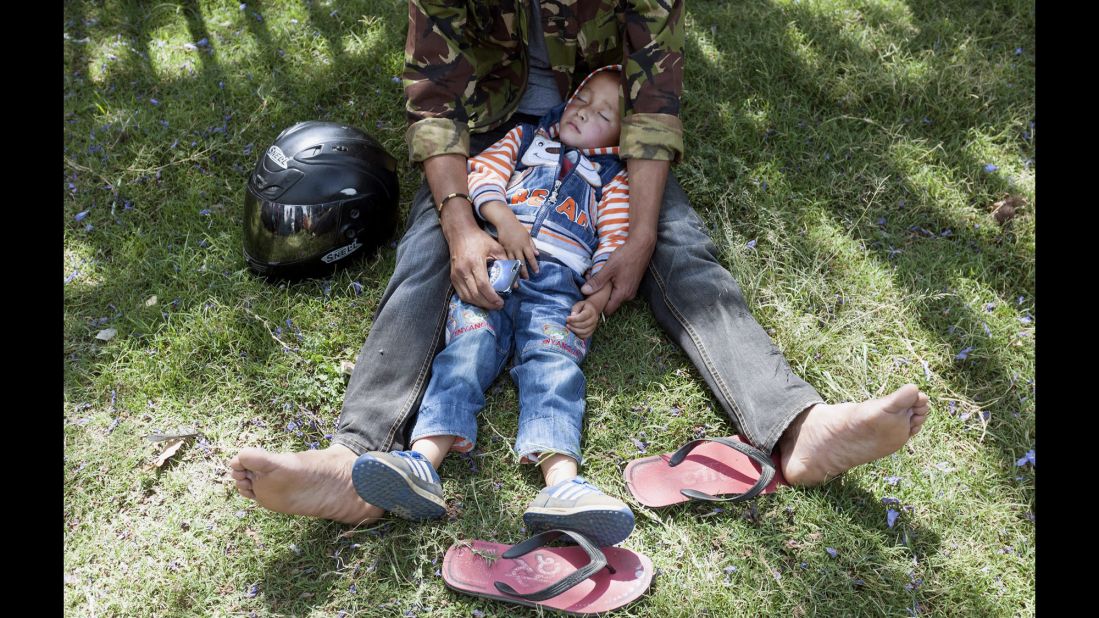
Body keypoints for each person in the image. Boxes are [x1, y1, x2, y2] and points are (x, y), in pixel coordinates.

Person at [229, 0, 930, 527]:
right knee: (426, 255)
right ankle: (355, 461)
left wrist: (641, 235)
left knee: (681, 249)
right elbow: (435, 101)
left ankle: (795, 427)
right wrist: (459, 222)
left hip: (606, 131)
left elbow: (652, 99)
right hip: (492, 129)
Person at [349, 67, 637, 546]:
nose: (584, 111)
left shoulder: (614, 179)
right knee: (467, 347)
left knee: (554, 367)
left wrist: (600, 300)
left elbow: (615, 242)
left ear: (620, 137)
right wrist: (503, 220)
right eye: (582, 98)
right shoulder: (526, 137)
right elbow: (483, 173)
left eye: (603, 113)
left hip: (557, 288)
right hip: (497, 266)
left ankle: (562, 486)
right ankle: (422, 462)